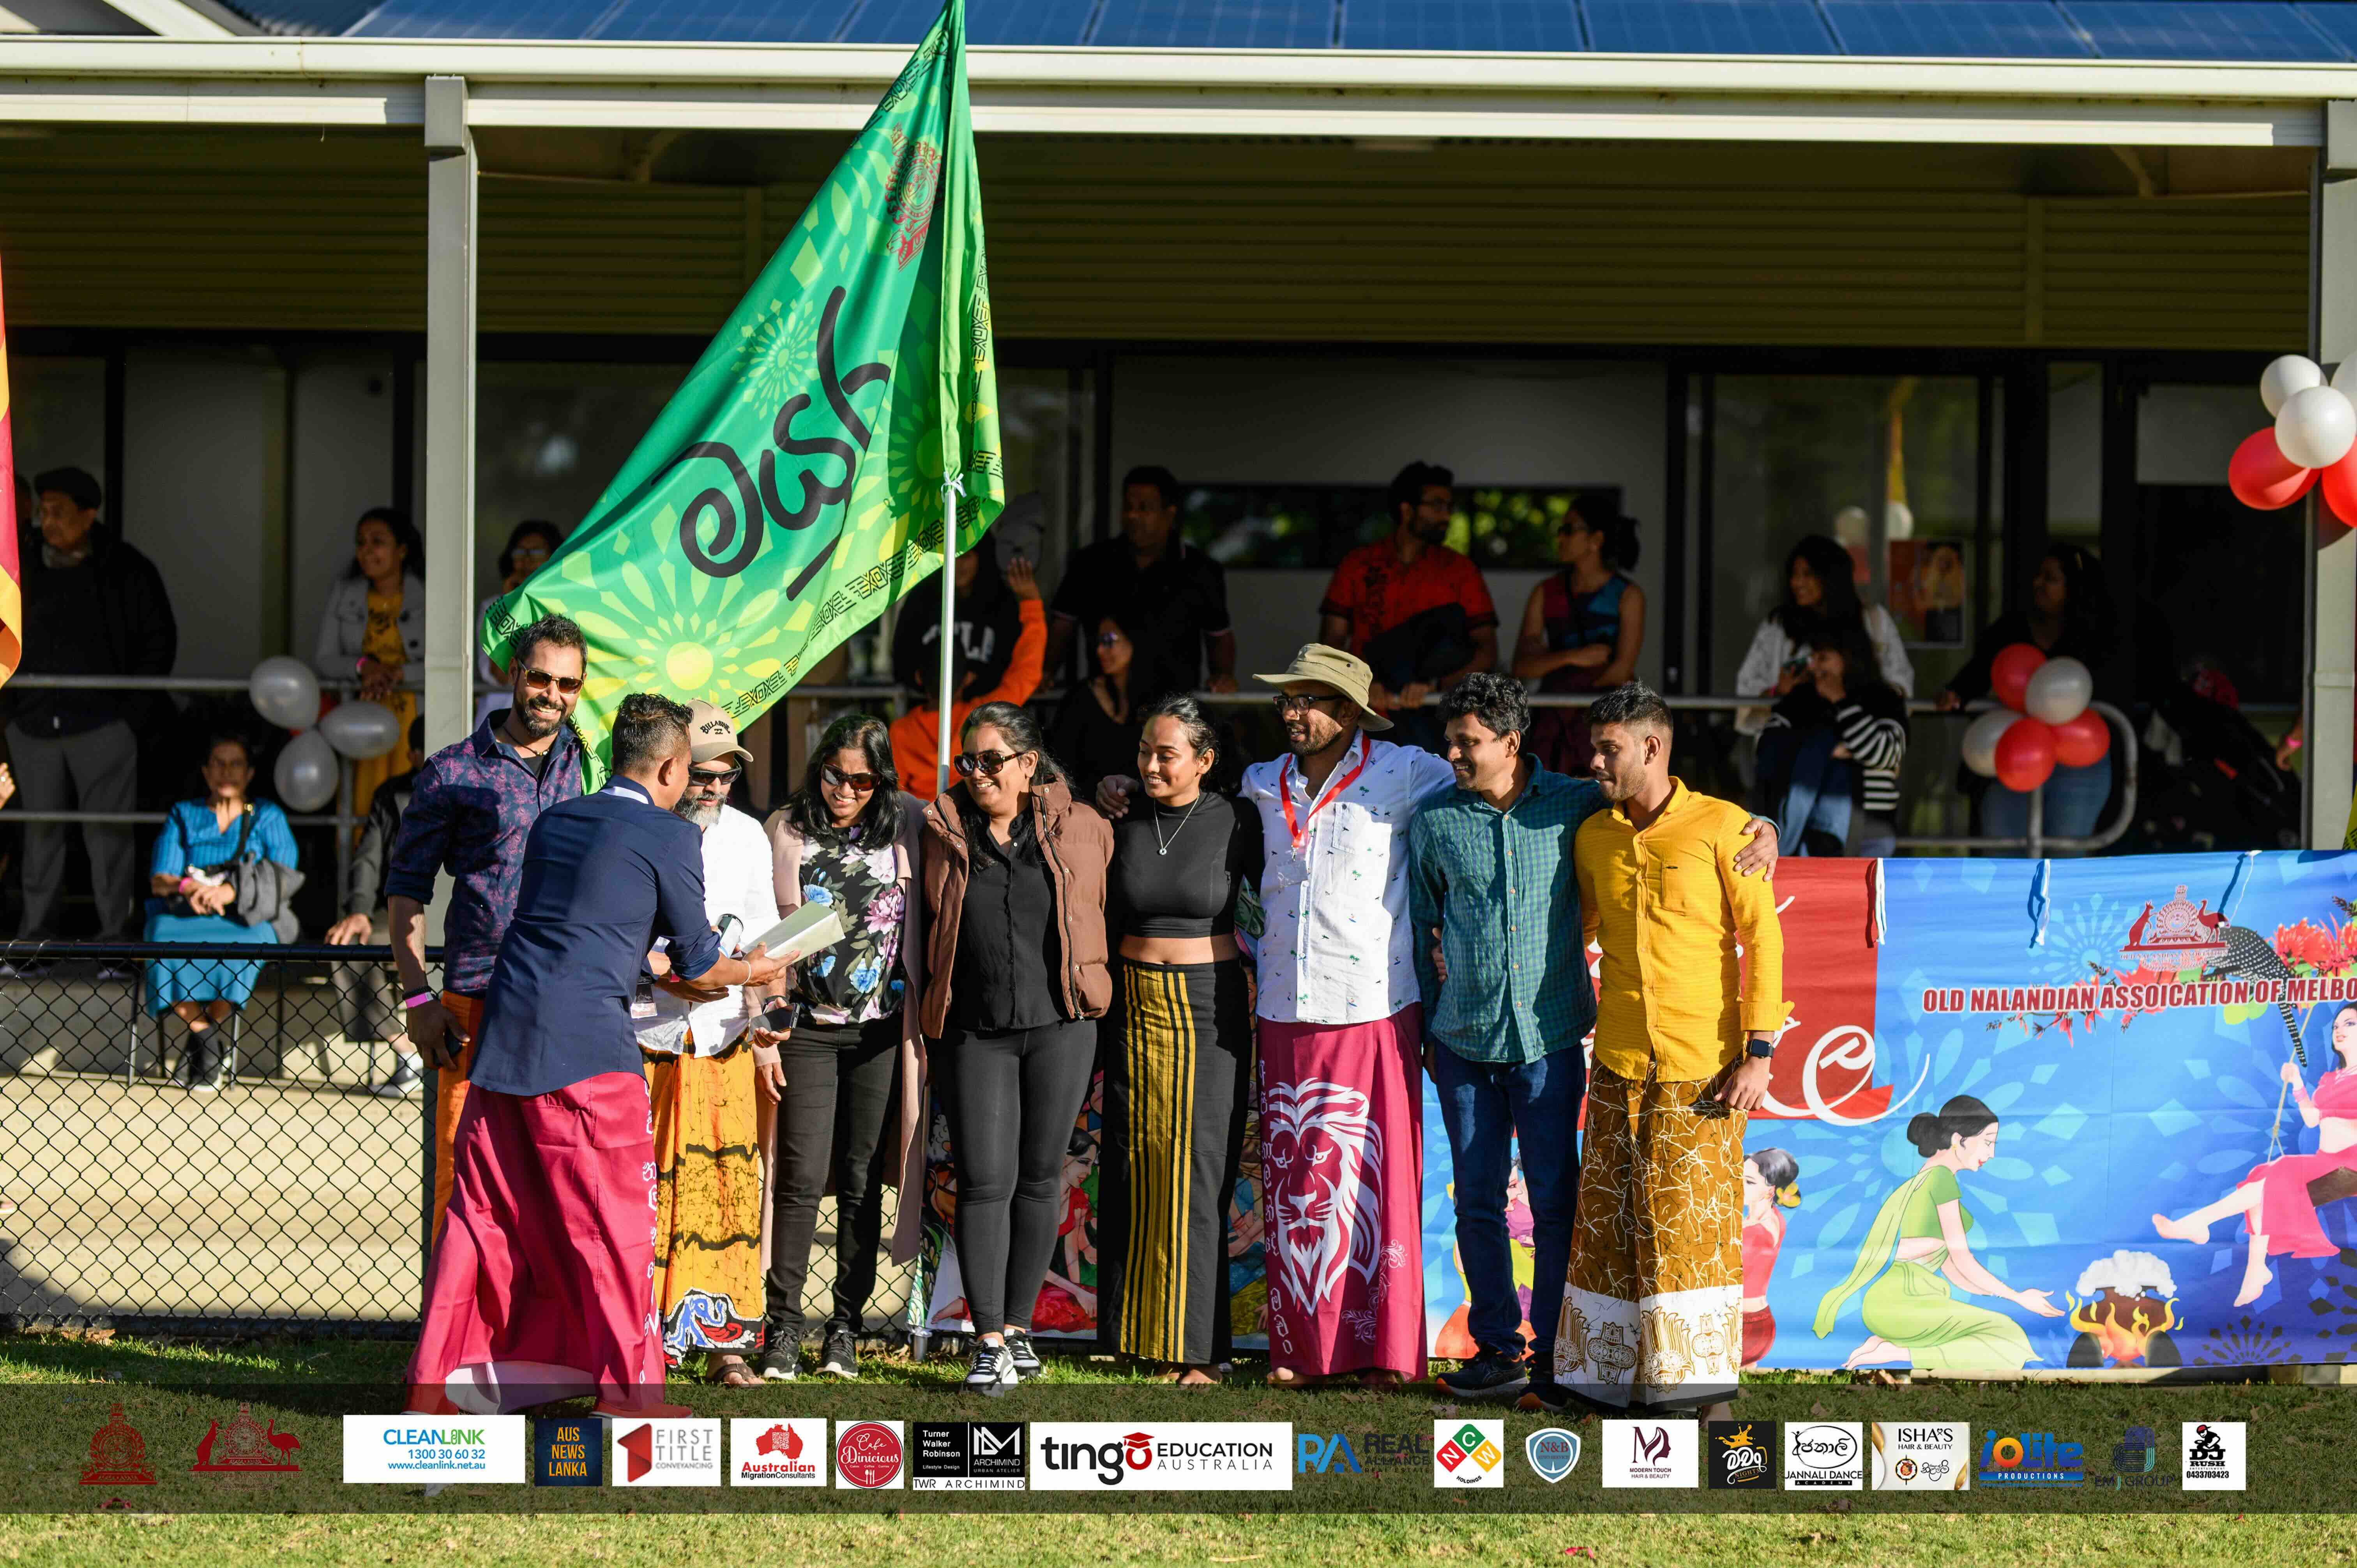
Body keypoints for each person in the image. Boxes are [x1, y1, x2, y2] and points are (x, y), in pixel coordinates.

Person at [406, 693, 792, 1417]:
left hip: (505, 1042)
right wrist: (757, 971)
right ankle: (630, 1400)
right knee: (614, 1231)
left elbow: (584, 927)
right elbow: (701, 966)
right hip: (587, 1052)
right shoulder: (669, 836)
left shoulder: (558, 819)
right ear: (672, 767)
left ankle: (444, 1389)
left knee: (484, 1218)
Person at [1558, 681, 1787, 1422]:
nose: (1594, 760)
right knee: (1608, 1223)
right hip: (1617, 1059)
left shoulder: (1725, 828)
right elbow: (1577, 928)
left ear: (1652, 747)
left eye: (1608, 748)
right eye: (1594, 747)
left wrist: (1759, 1052)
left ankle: (1699, 1396)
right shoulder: (1593, 835)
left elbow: (1765, 939)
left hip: (1707, 1066)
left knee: (1693, 1227)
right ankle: (1606, 1386)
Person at [1236, 642, 1457, 1388]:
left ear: (1351, 712)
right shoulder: (1259, 782)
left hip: (1373, 1003)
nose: (1294, 713)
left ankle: (1385, 1354)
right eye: (1287, 700)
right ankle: (1300, 1351)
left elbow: (1503, 782)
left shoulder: (1409, 770)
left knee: (1375, 1180)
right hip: (1281, 1002)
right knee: (1296, 1181)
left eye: (1310, 699)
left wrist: (1752, 822)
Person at [1408, 672, 1601, 1406]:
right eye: (1449, 739)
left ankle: (1553, 1353)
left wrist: (1763, 829)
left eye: (1467, 741)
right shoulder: (1434, 820)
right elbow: (1424, 923)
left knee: (1556, 1201)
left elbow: (1666, 808)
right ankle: (1497, 1351)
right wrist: (1432, 1022)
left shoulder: (1576, 803)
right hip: (1461, 1037)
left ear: (1510, 741)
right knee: (1476, 1200)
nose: (1451, 752)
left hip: (1550, 1037)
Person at [918, 701, 1112, 1395]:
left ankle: (1023, 1329)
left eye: (990, 760)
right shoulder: (940, 829)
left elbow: (1103, 906)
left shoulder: (1083, 826)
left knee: (1039, 1177)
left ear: (1029, 764)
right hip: (973, 1030)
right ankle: (988, 1335)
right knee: (983, 1180)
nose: (975, 773)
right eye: (966, 760)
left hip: (1061, 1023)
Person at [383, 614, 588, 1241]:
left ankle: (541, 1334)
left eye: (568, 684)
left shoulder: (592, 763)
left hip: (568, 1002)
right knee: (464, 1176)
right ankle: (455, 1336)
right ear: (511, 674)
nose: (552, 695)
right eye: (540, 678)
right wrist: (418, 998)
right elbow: (405, 892)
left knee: (557, 1179)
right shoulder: (451, 771)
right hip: (477, 1000)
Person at [1094, 694, 1261, 1386]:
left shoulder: (1238, 819)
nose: (1151, 763)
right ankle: (1135, 1334)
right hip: (1133, 1003)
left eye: (1167, 752)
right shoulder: (1120, 818)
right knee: (1138, 1164)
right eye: (1144, 750)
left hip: (1207, 1005)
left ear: (1205, 759)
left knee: (1199, 1171)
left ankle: (1200, 1349)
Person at [757, 714, 928, 1383]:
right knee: (799, 1180)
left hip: (881, 1028)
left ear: (881, 779)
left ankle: (846, 1329)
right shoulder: (788, 826)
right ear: (817, 767)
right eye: (836, 775)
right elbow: (771, 927)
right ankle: (782, 1328)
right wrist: (763, 1014)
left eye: (863, 778)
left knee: (859, 1182)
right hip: (806, 1026)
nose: (847, 790)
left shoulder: (906, 822)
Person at [637, 701, 780, 1386]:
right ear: (671, 765)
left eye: (726, 775)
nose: (713, 787)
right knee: (645, 1190)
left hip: (721, 1037)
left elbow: (763, 938)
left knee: (726, 1186)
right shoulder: (632, 831)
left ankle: (724, 1343)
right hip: (644, 1036)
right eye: (702, 773)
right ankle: (644, 1344)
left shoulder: (749, 835)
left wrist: (764, 1012)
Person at [5, 465, 175, 968]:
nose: (46, 520)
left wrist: (130, 717)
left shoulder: (125, 567)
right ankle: (35, 942)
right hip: (32, 725)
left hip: (104, 724)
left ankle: (114, 943)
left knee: (109, 837)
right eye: (43, 510)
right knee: (39, 835)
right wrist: (11, 714)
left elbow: (158, 643)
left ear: (89, 514)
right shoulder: (21, 564)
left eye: (59, 511)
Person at [1814, 1095, 2064, 1371]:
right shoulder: (1941, 1179)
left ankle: (1883, 1344)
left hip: (1898, 1301)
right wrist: (2018, 1297)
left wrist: (2005, 1297)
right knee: (2006, 1337)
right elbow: (1962, 1258)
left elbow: (1956, 1273)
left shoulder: (1929, 1177)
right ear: (1959, 1139)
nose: (1991, 1154)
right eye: (1988, 1142)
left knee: (2001, 1329)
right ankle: (1895, 1353)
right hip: (1904, 1301)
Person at [2155, 1001, 2357, 1307]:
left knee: (2281, 1171)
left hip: (2351, 1164)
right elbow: (2313, 1120)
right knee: (2264, 1177)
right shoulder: (2332, 1079)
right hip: (2325, 1161)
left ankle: (2197, 1224)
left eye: (2350, 1024)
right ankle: (2255, 1271)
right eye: (2337, 1026)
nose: (2340, 1031)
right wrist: (2299, 1084)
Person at [143, 735, 299, 1093]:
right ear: (205, 771)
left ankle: (203, 1049)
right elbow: (161, 878)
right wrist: (188, 887)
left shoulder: (267, 815)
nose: (226, 771)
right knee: (160, 940)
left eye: (236, 764)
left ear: (250, 774)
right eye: (218, 763)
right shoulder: (184, 814)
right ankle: (208, 1038)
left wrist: (231, 891)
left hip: (246, 918)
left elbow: (285, 872)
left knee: (246, 949)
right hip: (188, 914)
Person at [1939, 544, 2115, 843]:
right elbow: (1981, 669)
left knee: (2065, 856)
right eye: (2038, 576)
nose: (2039, 584)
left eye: (2050, 578)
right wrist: (1957, 691)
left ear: (2074, 588)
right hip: (2015, 753)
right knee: (2005, 855)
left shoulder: (2098, 635)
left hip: (2078, 758)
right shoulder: (2011, 629)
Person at [1317, 462, 1497, 750]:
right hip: (1367, 717)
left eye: (1450, 506)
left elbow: (1487, 650)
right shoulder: (1358, 564)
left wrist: (1439, 687)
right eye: (1437, 505)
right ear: (1407, 510)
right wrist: (1360, 683)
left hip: (1440, 721)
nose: (1447, 515)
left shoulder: (1461, 570)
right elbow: (1330, 643)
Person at [1046, 465, 1238, 698]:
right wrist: (1045, 673)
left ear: (1170, 514)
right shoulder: (1091, 563)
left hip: (1174, 711)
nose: (1133, 516)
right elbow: (1061, 627)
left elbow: (1219, 637)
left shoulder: (1201, 570)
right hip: (1106, 708)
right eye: (1128, 507)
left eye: (1144, 509)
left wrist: (1223, 677)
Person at [325, 716, 425, 1095]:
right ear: (412, 755)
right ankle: (408, 1052)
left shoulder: (477, 785)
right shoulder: (390, 794)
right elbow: (367, 859)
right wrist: (360, 911)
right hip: (400, 908)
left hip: (463, 909)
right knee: (348, 945)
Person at [890, 557, 1044, 801]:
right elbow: (1027, 672)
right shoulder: (985, 718)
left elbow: (894, 797)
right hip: (971, 821)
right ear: (969, 678)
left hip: (921, 828)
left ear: (920, 677)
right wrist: (1031, 603)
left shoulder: (900, 732)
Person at [1733, 535, 1914, 737]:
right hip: (1792, 753)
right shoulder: (1778, 627)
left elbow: (1900, 689)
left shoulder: (1873, 622)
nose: (1797, 582)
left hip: (1858, 751)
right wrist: (1779, 692)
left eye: (1808, 574)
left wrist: (1850, 692)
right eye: (1794, 574)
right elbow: (1747, 698)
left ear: (1831, 577)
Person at [1513, 503, 1645, 777]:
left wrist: (1567, 687)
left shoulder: (1628, 595)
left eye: (1568, 530)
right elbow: (1523, 667)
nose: (1560, 538)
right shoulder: (1545, 592)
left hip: (1610, 721)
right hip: (1552, 723)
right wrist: (1574, 657)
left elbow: (1621, 671)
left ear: (1596, 540)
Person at [1757, 622, 1909, 858]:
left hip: (1871, 833)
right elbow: (1767, 752)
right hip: (1802, 835)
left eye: (1823, 658)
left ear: (1849, 658)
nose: (1814, 667)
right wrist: (1826, 746)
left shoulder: (1885, 699)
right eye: (1813, 658)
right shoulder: (1800, 699)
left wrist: (1841, 700)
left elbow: (1885, 754)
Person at [310, 506, 424, 818]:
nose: (366, 551)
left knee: (412, 803)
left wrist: (402, 673)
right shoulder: (344, 593)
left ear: (402, 550)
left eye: (377, 542)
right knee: (361, 802)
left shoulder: (430, 595)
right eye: (361, 543)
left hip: (413, 717)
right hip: (359, 716)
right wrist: (364, 668)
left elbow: (450, 663)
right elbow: (325, 659)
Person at [893, 531, 1027, 717]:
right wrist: (930, 683)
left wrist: (974, 684)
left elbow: (1013, 665)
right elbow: (901, 662)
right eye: (951, 556)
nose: (958, 565)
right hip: (929, 718)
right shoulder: (921, 600)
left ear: (982, 557)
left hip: (988, 717)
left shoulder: (1002, 604)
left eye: (966, 556)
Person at [474, 521, 564, 729]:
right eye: (520, 552)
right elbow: (501, 675)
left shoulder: (560, 606)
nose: (525, 560)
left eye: (536, 553)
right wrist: (510, 603)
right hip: (499, 714)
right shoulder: (493, 606)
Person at [1049, 613, 1144, 798]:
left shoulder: (1160, 702)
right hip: (1088, 812)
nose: (1100, 650)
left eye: (1110, 640)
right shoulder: (1079, 700)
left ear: (1135, 639)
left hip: (1145, 814)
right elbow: (1059, 772)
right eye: (1098, 641)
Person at [1739, 1147, 1800, 1368]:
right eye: (1739, 1178)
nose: (1740, 1186)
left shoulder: (1751, 1232)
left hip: (1743, 1327)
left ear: (1770, 1190)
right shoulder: (1775, 1218)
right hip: (1761, 1322)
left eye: (1750, 1182)